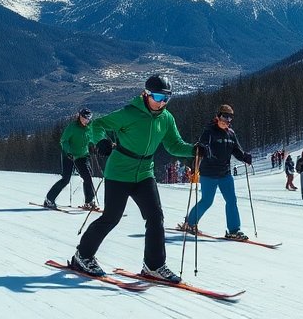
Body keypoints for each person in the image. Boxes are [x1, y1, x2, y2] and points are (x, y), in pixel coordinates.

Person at [70, 75, 202, 284]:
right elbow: (98, 126)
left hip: (144, 174)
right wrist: (101, 140)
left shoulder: (166, 118)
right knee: (111, 217)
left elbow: (174, 145)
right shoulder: (129, 113)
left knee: (155, 216)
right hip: (119, 173)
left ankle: (154, 266)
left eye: (167, 98)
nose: (162, 102)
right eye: (158, 96)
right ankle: (82, 256)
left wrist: (193, 149)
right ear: (146, 94)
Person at [183, 104, 253, 240]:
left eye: (230, 117)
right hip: (209, 174)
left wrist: (245, 156)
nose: (227, 120)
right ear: (218, 116)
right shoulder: (209, 132)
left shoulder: (231, 134)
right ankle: (189, 223)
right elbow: (199, 150)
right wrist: (194, 165)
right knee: (207, 201)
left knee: (232, 200)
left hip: (225, 174)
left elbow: (237, 151)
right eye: (224, 116)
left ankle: (234, 230)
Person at [45, 108, 98, 210]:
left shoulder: (90, 127)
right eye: (83, 117)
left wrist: (93, 146)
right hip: (69, 155)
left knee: (87, 178)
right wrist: (68, 152)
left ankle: (89, 202)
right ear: (80, 116)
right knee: (66, 179)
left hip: (82, 156)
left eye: (88, 118)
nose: (85, 120)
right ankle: (49, 199)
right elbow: (64, 140)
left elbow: (91, 139)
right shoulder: (72, 127)